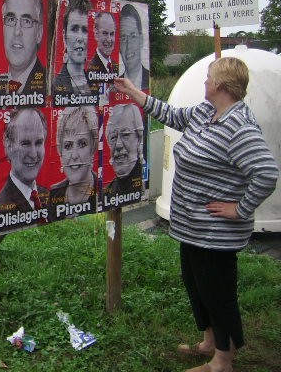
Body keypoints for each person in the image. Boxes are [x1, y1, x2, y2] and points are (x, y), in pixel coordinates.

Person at [114, 57, 279, 372]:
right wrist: (132, 90)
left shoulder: (238, 126)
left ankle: (223, 361)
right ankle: (208, 341)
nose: (204, 82)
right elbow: (171, 115)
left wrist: (240, 208)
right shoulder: (206, 112)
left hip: (216, 232)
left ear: (219, 85)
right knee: (195, 283)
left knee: (218, 293)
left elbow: (266, 172)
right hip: (191, 226)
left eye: (208, 79)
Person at [0, 0, 46, 96]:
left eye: (26, 21)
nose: (17, 31)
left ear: (39, 33)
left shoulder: (49, 86)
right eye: (11, 19)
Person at [50, 106, 98, 219]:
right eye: (68, 146)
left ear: (93, 148)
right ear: (60, 151)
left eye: (82, 144)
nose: (74, 155)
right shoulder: (52, 194)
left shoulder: (104, 191)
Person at [0, 108, 49, 212]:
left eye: (39, 142)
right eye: (25, 144)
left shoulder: (48, 195)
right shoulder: (1, 205)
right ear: (9, 146)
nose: (33, 154)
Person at [52, 0, 95, 99]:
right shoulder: (54, 87)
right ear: (64, 36)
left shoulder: (95, 85)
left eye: (85, 30)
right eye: (74, 29)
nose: (80, 38)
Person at [103, 103, 144, 198]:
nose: (118, 145)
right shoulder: (107, 193)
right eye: (113, 137)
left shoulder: (142, 187)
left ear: (139, 139)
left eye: (125, 134)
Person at [87, 11, 118, 103]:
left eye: (112, 34)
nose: (109, 39)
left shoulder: (116, 65)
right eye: (105, 33)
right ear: (96, 34)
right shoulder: (90, 68)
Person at [119, 4, 149, 90]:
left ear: (141, 39)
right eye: (123, 38)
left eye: (133, 36)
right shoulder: (113, 86)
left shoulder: (150, 80)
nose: (129, 45)